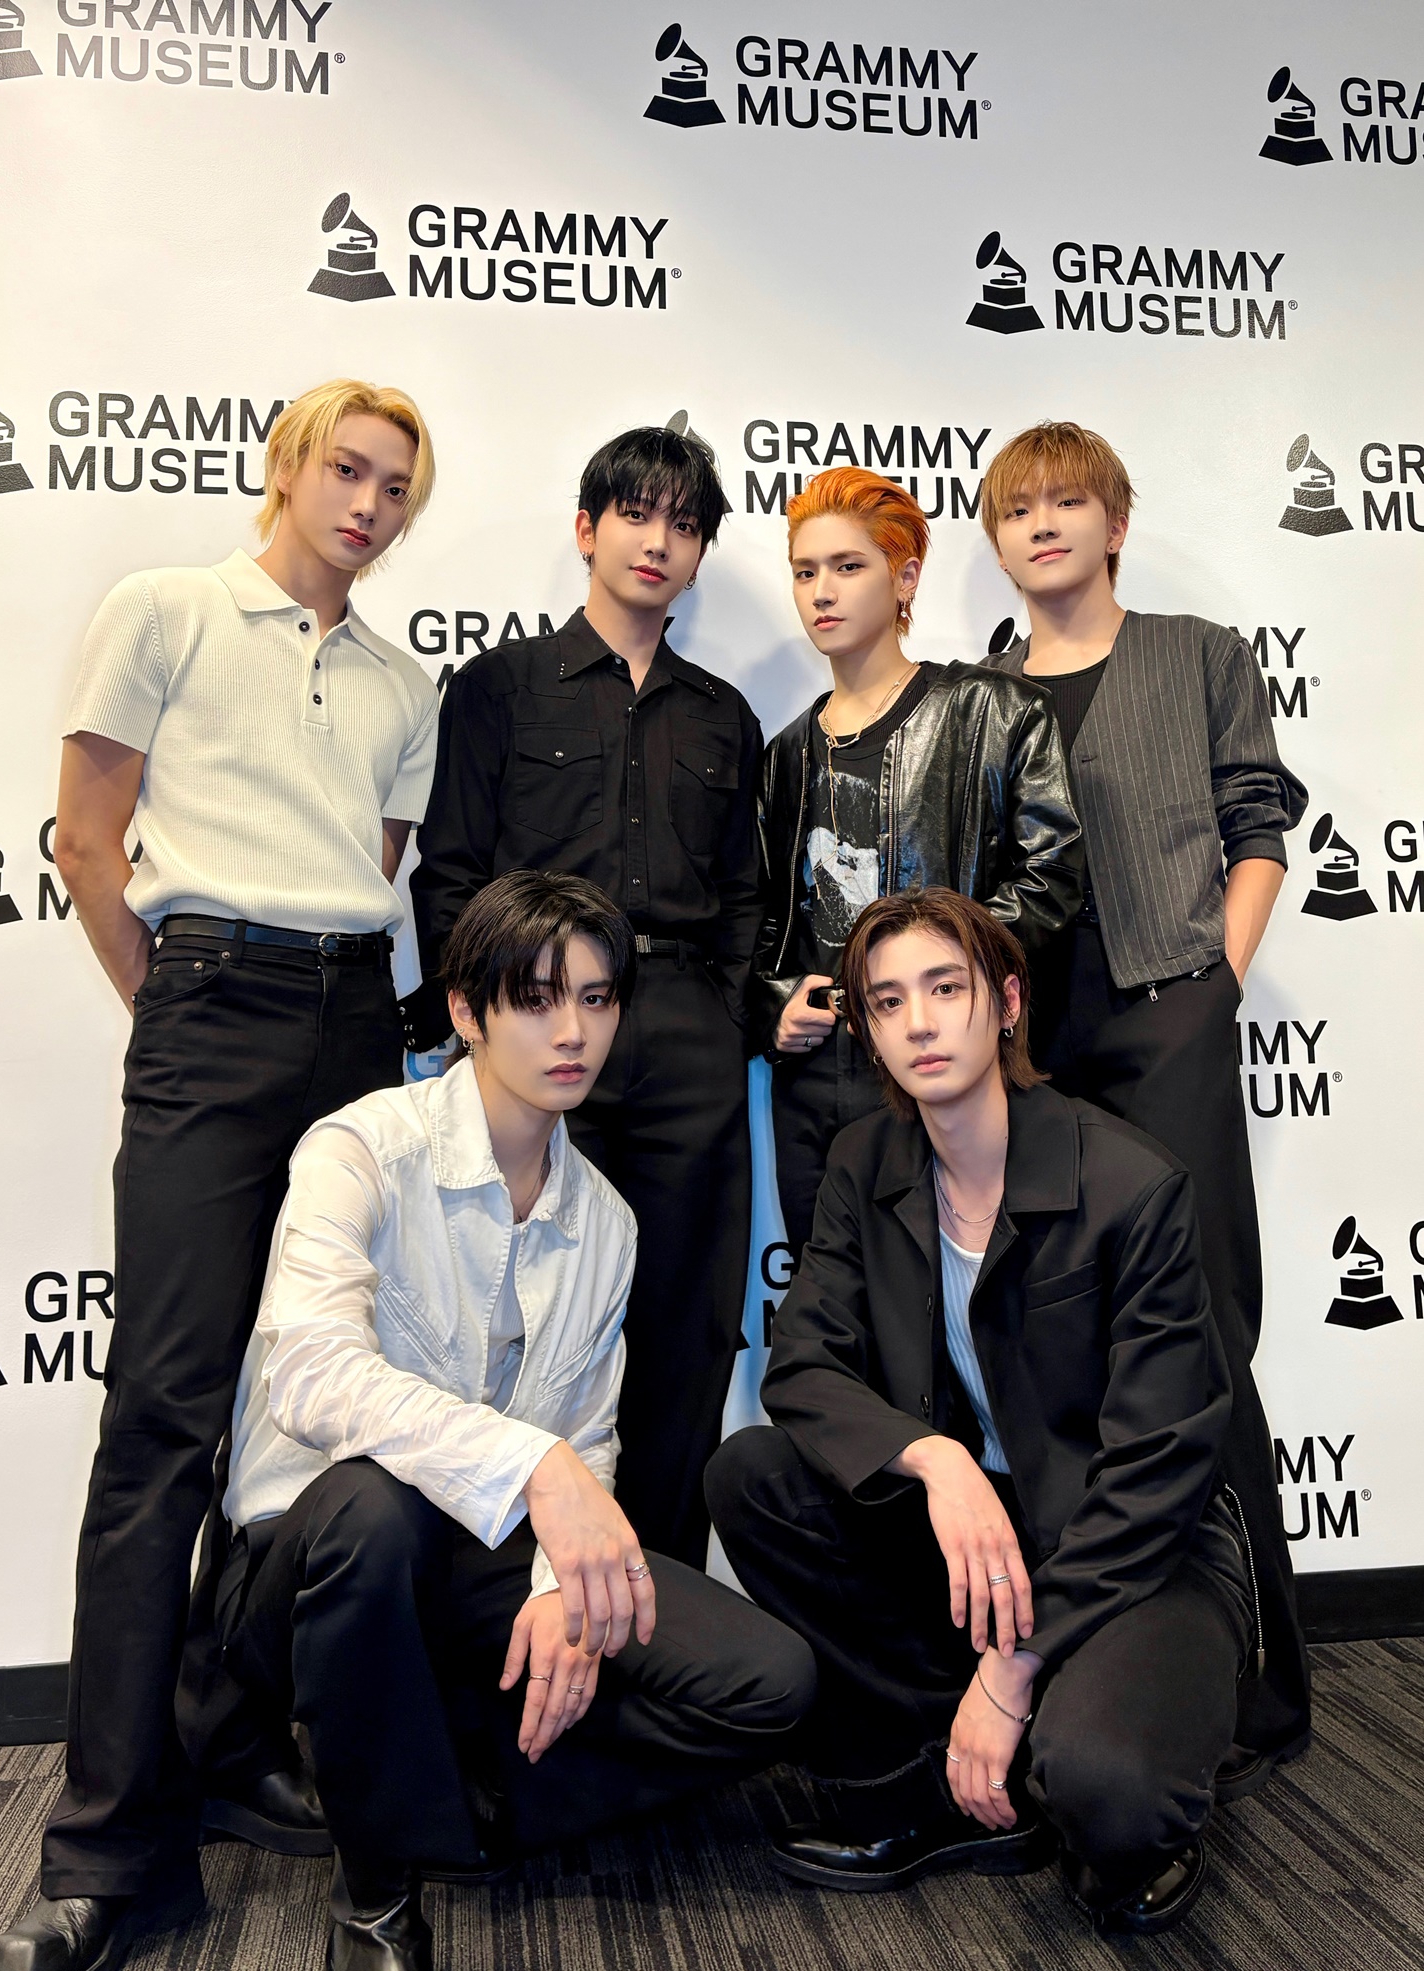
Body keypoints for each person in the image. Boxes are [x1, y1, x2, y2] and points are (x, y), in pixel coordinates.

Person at [0, 381, 441, 1971]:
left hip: (356, 1023)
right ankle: (106, 1855)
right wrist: (171, 1009)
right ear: (288, 468)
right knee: (163, 1421)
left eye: (397, 486)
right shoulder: (163, 608)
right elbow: (86, 844)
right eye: (347, 470)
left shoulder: (404, 684)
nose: (368, 504)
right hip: (210, 1004)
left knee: (310, 1409)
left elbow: (375, 870)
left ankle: (231, 1741)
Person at [218, 873, 812, 1971]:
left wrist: (558, 1587)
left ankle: (466, 1800)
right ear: (466, 1009)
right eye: (536, 999)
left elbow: (587, 1438)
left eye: (596, 997)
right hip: (309, 1564)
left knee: (769, 1681)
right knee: (376, 1506)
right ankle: (376, 1897)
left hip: (480, 1561)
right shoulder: (362, 1146)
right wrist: (532, 1466)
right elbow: (310, 1371)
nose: (572, 1030)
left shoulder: (607, 1221)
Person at [709, 888, 1254, 1933]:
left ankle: (1058, 1742)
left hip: (1137, 1548)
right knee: (755, 1478)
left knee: (1108, 1795)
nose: (919, 1021)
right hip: (983, 1533)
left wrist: (1011, 1673)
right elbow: (803, 1367)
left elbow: (1158, 1471)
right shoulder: (865, 1162)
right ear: (867, 1030)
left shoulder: (1131, 1184)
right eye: (887, 1001)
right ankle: (936, 1778)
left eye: (945, 988)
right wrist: (935, 1460)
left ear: (1005, 1003)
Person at [978, 419, 1310, 1789]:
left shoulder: (1198, 653)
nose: (1045, 524)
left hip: (1167, 1012)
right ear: (997, 542)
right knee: (1062, 1341)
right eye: (1019, 509)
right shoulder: (980, 687)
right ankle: (1096, 1661)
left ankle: (1263, 1679)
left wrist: (1212, 986)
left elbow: (1258, 825)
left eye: (1069, 501)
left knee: (1205, 1330)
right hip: (1029, 1046)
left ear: (1116, 524)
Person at [407, 419, 763, 1568]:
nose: (658, 540)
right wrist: (488, 1024)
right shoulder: (499, 687)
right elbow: (452, 873)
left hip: (687, 1034)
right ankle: (514, 1604)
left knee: (682, 1325)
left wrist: (730, 1011)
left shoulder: (724, 715)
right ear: (586, 527)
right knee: (518, 1322)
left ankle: (660, 1609)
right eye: (636, 513)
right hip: (535, 1030)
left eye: (684, 523)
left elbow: (746, 894)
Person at [749, 467, 1082, 1255]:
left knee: (949, 1292)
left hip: (946, 1060)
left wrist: (931, 979)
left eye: (848, 566)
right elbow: (759, 919)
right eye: (805, 571)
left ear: (904, 579)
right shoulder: (785, 754)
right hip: (817, 1077)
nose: (822, 592)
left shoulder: (994, 712)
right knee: (831, 1294)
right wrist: (774, 1004)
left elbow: (1053, 877)